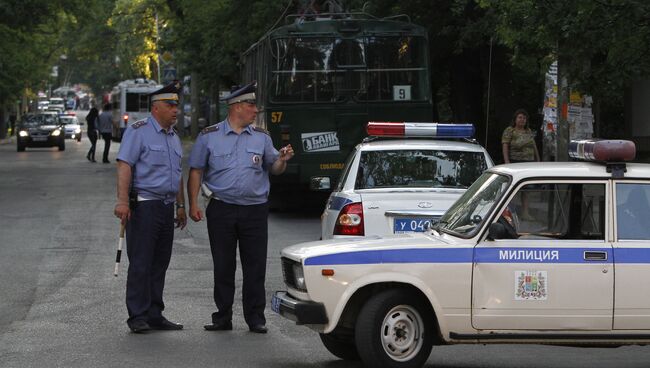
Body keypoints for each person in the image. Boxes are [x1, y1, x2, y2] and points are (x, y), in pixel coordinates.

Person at [186, 81, 294, 334]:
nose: (255, 110)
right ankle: (222, 316)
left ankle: (255, 318)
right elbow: (196, 171)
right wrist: (192, 203)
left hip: (254, 210)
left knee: (255, 266)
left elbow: (274, 168)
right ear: (236, 107)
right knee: (223, 265)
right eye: (251, 105)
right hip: (221, 209)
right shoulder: (209, 136)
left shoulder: (262, 137)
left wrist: (282, 160)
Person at [113, 83, 187, 333]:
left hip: (166, 207)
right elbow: (125, 166)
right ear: (156, 108)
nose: (175, 110)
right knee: (141, 263)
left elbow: (177, 174)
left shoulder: (174, 137)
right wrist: (122, 201)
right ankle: (137, 315)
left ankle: (155, 313)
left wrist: (180, 205)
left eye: (177, 105)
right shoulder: (139, 132)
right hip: (145, 206)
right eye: (170, 105)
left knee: (159, 264)